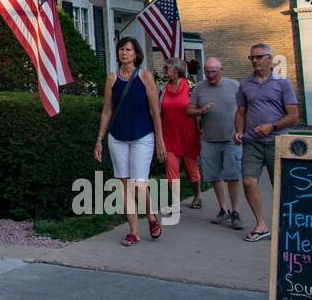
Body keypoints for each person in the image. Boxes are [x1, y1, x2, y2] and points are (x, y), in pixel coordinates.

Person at [95, 36, 167, 246]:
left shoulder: (145, 77)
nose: (124, 53)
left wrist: (160, 141)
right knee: (124, 184)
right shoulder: (112, 78)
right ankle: (133, 231)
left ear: (136, 54)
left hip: (142, 136)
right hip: (117, 137)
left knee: (139, 184)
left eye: (128, 49)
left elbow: (155, 111)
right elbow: (107, 110)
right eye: (121, 49)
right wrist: (100, 139)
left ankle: (151, 215)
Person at [234, 43, 299, 242]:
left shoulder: (282, 83)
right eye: (252, 57)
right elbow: (241, 112)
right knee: (248, 182)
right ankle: (261, 225)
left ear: (270, 59)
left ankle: (289, 224)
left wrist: (272, 126)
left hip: (277, 141)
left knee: (281, 185)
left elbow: (293, 115)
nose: (255, 61)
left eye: (259, 57)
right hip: (252, 142)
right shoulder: (245, 85)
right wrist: (238, 131)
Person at [187, 57, 242, 228]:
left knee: (233, 175)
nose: (210, 75)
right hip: (209, 140)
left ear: (221, 70)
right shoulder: (199, 88)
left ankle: (235, 211)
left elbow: (244, 109)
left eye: (214, 72)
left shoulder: (234, 86)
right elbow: (189, 110)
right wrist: (200, 110)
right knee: (214, 176)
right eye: (207, 72)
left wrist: (241, 131)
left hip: (231, 139)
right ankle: (223, 210)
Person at [160, 59, 201, 210]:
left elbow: (198, 109)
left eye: (167, 68)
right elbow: (158, 111)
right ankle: (176, 203)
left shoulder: (190, 87)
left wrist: (201, 131)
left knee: (192, 171)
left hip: (188, 135)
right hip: (168, 135)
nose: (164, 70)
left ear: (176, 71)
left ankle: (197, 195)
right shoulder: (163, 88)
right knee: (171, 171)